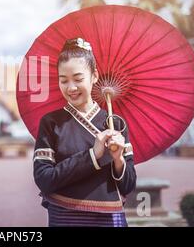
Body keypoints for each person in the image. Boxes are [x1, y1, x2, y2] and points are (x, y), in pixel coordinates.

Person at [33, 37, 136, 227]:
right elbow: (44, 180)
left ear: (94, 76)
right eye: (63, 80)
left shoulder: (115, 124)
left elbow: (128, 186)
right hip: (64, 218)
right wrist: (93, 155)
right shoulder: (50, 123)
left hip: (108, 219)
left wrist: (118, 160)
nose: (71, 87)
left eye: (78, 79)